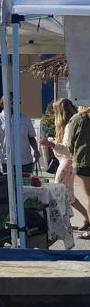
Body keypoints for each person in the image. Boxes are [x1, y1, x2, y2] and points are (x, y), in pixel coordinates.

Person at [40, 99, 90, 231]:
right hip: (67, 164)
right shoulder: (72, 123)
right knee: (67, 195)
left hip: (67, 164)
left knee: (61, 194)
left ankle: (65, 221)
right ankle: (84, 218)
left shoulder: (70, 125)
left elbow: (67, 149)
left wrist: (52, 145)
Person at [0, 97, 40, 173]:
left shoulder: (25, 118)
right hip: (7, 161)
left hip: (25, 160)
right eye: (12, 103)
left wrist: (36, 151)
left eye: (18, 103)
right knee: (8, 184)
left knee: (26, 184)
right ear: (3, 104)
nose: (15, 105)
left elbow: (31, 137)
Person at [67, 105, 90, 239]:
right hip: (84, 161)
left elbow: (70, 143)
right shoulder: (78, 118)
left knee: (89, 196)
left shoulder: (77, 119)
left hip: (83, 161)